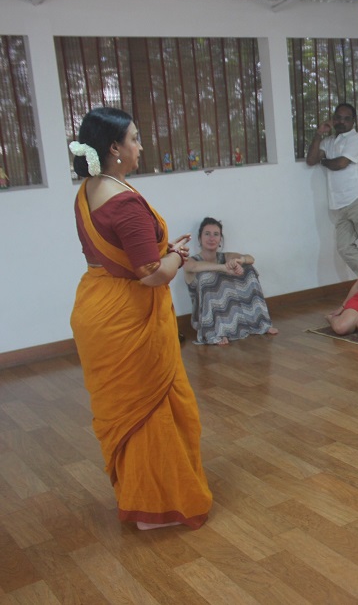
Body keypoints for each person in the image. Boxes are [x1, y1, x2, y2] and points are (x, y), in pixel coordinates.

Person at [69, 107, 212, 530]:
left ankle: (141, 496)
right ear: (115, 147)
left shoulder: (89, 188)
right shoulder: (124, 201)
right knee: (152, 409)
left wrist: (163, 254)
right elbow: (151, 276)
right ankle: (160, 506)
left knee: (129, 411)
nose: (141, 146)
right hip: (127, 316)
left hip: (97, 303)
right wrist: (176, 256)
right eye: (134, 138)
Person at [184, 217, 279, 345]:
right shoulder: (191, 260)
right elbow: (193, 267)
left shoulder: (225, 256)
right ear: (200, 238)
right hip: (206, 317)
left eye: (216, 234)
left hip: (233, 312)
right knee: (208, 277)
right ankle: (217, 331)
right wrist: (223, 268)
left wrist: (238, 262)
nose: (211, 238)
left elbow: (250, 258)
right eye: (207, 234)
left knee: (249, 269)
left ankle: (259, 323)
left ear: (220, 239)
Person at [306, 103, 358, 275]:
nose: (341, 122)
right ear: (333, 119)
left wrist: (324, 161)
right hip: (340, 204)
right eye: (338, 118)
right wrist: (319, 134)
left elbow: (340, 163)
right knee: (344, 248)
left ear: (353, 121)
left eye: (346, 119)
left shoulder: (356, 139)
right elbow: (311, 160)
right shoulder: (328, 141)